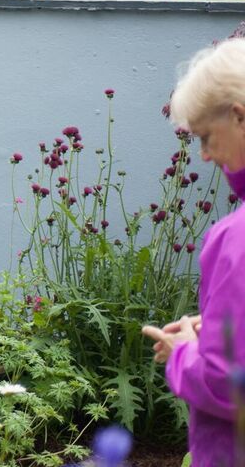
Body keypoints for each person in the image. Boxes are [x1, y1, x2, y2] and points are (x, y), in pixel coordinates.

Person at [143, 37, 245, 467]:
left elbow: (229, 387)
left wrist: (184, 352)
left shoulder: (236, 237)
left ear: (240, 117)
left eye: (206, 136)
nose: (203, 155)